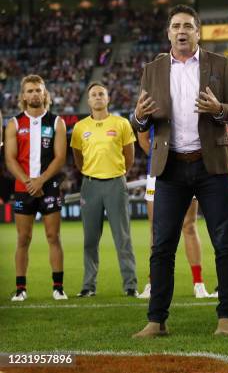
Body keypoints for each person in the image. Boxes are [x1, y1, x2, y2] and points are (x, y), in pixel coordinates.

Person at [131, 4, 228, 338]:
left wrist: (219, 109)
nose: (182, 31)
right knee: (162, 246)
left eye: (188, 26)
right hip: (170, 168)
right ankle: (156, 320)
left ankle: (226, 316)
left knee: (224, 242)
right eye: (176, 26)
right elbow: (140, 119)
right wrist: (138, 117)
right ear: (168, 32)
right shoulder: (152, 70)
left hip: (212, 167)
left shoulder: (219, 63)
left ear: (198, 32)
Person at [71, 81, 138, 298]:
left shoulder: (121, 123)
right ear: (89, 101)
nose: (98, 97)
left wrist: (117, 173)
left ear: (108, 98)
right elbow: (78, 158)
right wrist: (91, 173)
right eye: (94, 95)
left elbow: (129, 156)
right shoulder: (80, 127)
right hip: (90, 186)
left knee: (122, 237)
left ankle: (130, 284)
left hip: (115, 184)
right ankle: (88, 286)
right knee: (90, 239)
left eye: (102, 93)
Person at [5, 75, 67, 301]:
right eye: (29, 91)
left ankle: (58, 288)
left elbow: (60, 158)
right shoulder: (14, 123)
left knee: (53, 236)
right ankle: (21, 289)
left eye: (38, 90)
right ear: (23, 96)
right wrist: (29, 182)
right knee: (23, 239)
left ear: (45, 94)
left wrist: (40, 180)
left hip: (49, 186)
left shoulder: (56, 122)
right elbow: (10, 159)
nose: (34, 94)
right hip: (23, 187)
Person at [137, 128, 215, 299]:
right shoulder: (154, 101)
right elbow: (142, 138)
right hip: (160, 171)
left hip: (191, 168)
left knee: (189, 226)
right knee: (156, 228)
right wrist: (161, 158)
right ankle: (153, 283)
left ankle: (199, 283)